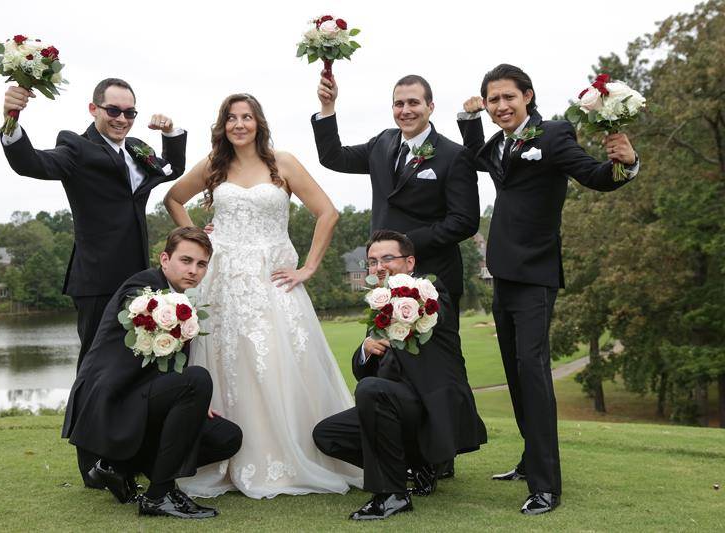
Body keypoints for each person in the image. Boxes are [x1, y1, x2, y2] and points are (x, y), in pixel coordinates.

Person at [456, 64, 640, 515]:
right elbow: (481, 155)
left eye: (508, 97)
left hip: (537, 275)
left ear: (528, 96)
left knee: (534, 376)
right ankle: (528, 457)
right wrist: (468, 120)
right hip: (502, 271)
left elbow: (597, 177)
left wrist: (627, 162)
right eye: (493, 99)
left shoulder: (554, 134)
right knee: (517, 376)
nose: (501, 106)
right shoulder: (499, 143)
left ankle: (546, 486)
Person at [163, 93, 361, 498]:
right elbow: (173, 198)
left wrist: (307, 268)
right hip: (222, 284)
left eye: (247, 117)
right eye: (232, 118)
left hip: (273, 282)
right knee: (227, 364)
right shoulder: (213, 167)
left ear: (259, 122)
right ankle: (228, 457)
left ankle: (292, 455)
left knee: (277, 362)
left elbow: (328, 211)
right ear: (223, 125)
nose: (239, 124)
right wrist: (200, 240)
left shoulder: (282, 163)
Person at [0, 78, 187, 487]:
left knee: (139, 367)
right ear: (93, 110)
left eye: (129, 113)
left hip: (140, 280)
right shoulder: (76, 148)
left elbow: (172, 169)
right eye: (114, 111)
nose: (122, 119)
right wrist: (12, 119)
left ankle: (126, 455)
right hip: (98, 280)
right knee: (94, 370)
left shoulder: (137, 150)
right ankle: (91, 468)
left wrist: (172, 135)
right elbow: (32, 162)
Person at [61, 227, 242, 519]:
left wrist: (191, 401)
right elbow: (138, 308)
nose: (193, 270)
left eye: (201, 264)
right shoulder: (144, 288)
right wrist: (188, 390)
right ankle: (160, 494)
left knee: (227, 437)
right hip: (114, 402)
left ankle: (118, 467)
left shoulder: (181, 301)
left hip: (142, 402)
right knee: (197, 379)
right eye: (186, 260)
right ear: (165, 259)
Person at [313, 230, 487, 521]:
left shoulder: (430, 292)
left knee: (371, 390)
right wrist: (366, 348)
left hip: (430, 403)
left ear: (409, 263)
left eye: (387, 259)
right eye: (372, 261)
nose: (379, 266)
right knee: (327, 435)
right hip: (395, 404)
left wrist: (398, 303)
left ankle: (392, 494)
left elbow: (430, 316)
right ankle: (415, 466)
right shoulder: (379, 302)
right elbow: (364, 371)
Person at [311, 74, 479, 309]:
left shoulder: (454, 155)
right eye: (399, 104)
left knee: (438, 347)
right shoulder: (382, 142)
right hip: (384, 281)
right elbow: (333, 157)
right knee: (382, 347)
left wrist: (404, 244)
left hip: (433, 280)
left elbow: (465, 221)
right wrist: (327, 107)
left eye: (413, 102)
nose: (406, 110)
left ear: (430, 107)